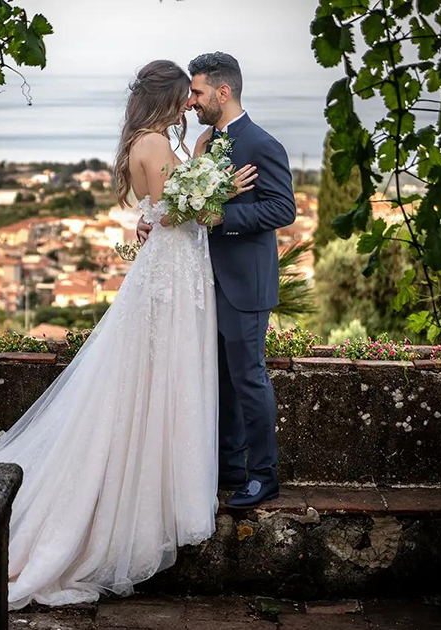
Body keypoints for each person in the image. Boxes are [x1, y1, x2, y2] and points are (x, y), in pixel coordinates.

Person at [0, 59, 258, 610]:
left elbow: (161, 211)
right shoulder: (154, 144)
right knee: (158, 377)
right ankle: (145, 505)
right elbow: (180, 212)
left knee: (158, 378)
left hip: (172, 268)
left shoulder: (149, 142)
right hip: (171, 272)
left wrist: (187, 187)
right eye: (184, 96)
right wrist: (224, 190)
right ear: (167, 99)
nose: (191, 104)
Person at [139, 52, 297, 509]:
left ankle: (263, 477)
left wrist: (219, 216)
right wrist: (153, 220)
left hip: (245, 283)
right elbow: (177, 204)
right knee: (220, 378)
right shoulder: (206, 142)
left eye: (198, 92)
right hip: (203, 279)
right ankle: (229, 466)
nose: (191, 101)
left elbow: (282, 210)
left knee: (248, 378)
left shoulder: (262, 144)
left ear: (222, 93)